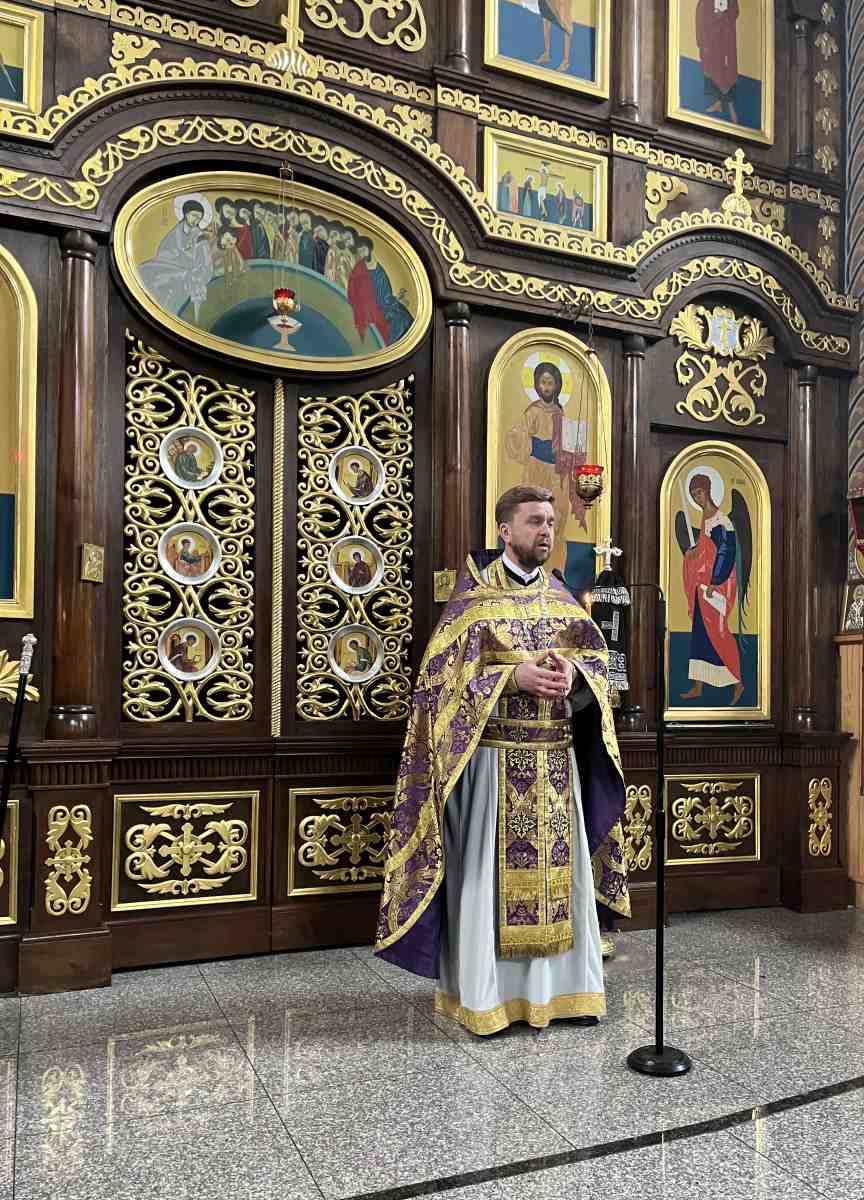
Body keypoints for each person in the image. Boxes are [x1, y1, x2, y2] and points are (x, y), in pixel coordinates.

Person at [375, 485, 629, 1034]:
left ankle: (567, 994)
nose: (546, 531)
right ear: (504, 530)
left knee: (565, 883)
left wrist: (576, 678)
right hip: (492, 767)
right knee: (485, 884)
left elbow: (599, 669)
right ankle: (487, 999)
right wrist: (510, 677)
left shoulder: (564, 600)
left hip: (556, 766)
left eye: (551, 522)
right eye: (535, 521)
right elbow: (438, 686)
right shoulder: (473, 602)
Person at [504, 360, 587, 538]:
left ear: (557, 386)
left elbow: (566, 440)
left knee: (558, 511)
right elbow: (515, 435)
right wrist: (536, 444)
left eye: (550, 383)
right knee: (535, 510)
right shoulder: (533, 411)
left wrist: (572, 450)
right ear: (536, 385)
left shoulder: (559, 411)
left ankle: (555, 550)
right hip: (537, 469)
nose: (547, 387)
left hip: (557, 472)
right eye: (543, 382)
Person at [681, 472, 744, 704]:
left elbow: (726, 553)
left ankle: (738, 683)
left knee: (719, 632)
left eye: (699, 493)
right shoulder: (705, 519)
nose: (697, 498)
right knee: (700, 633)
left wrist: (715, 582)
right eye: (693, 495)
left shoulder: (721, 521)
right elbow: (706, 550)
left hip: (717, 587)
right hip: (702, 587)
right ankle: (698, 686)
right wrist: (692, 553)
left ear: (707, 491)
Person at [695, 0, 739, 125]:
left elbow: (735, 11)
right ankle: (717, 102)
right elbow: (701, 16)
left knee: (727, 72)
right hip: (711, 41)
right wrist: (702, 42)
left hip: (725, 39)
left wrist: (723, 15)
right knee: (711, 69)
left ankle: (731, 107)